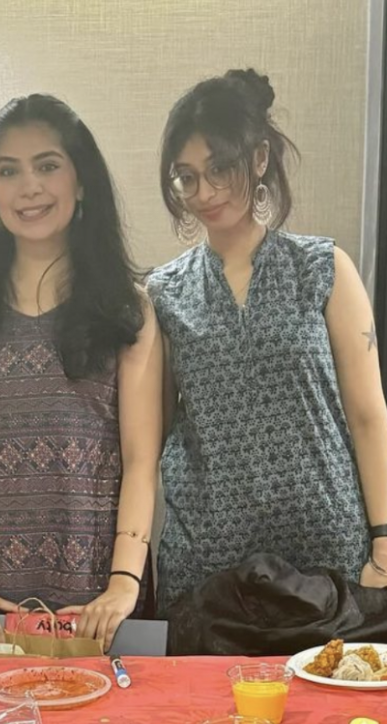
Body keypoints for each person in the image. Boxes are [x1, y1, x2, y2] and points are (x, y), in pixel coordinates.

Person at [0, 94, 163, 648]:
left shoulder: (128, 310)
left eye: (48, 166)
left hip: (99, 602)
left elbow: (141, 458)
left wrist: (123, 584)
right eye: (8, 171)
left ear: (81, 183)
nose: (29, 187)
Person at [147, 68, 387, 615]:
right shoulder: (164, 294)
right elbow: (152, 435)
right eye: (186, 177)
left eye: (220, 169)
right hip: (209, 563)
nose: (203, 192)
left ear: (258, 160)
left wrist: (384, 537)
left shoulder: (323, 269)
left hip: (327, 550)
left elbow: (369, 415)